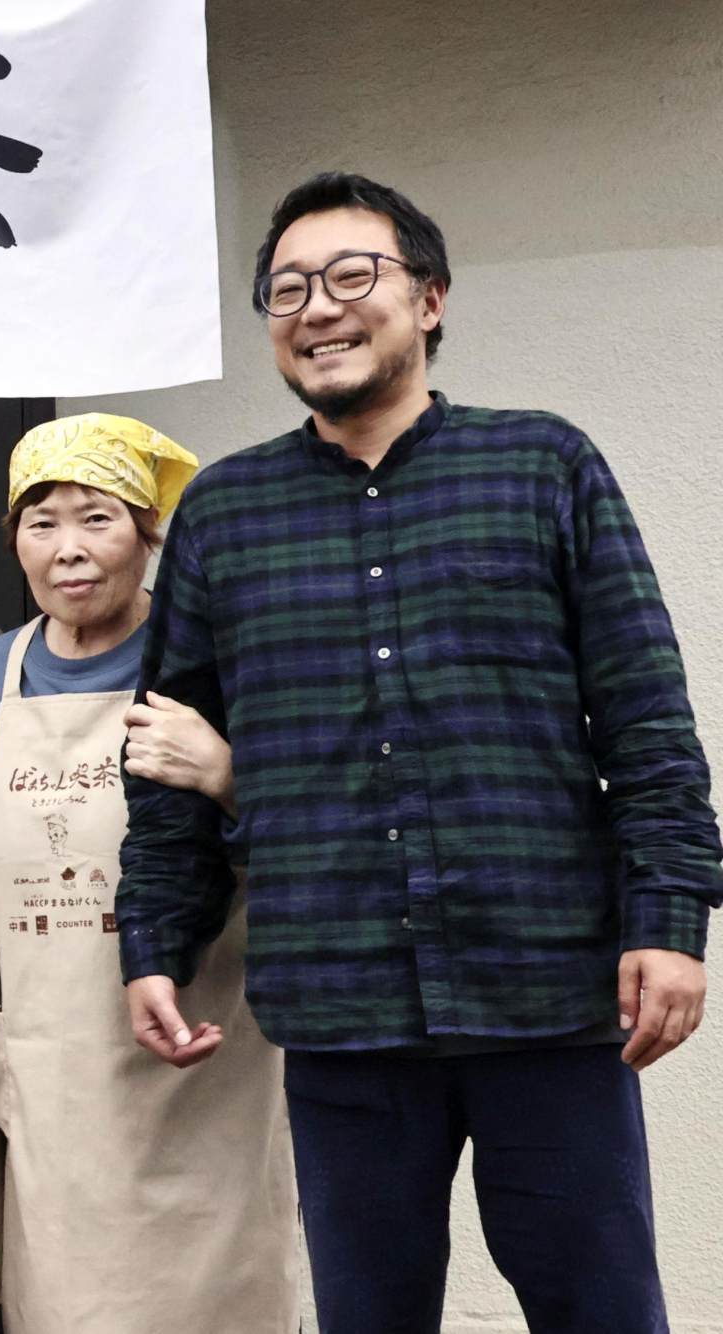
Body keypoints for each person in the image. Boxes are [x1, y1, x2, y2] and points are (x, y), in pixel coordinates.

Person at [119, 172, 723, 1333]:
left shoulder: (541, 467)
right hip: (337, 1003)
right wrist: (152, 938)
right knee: (366, 1314)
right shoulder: (223, 513)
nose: (317, 307)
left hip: (546, 986)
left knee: (598, 1307)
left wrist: (667, 918)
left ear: (429, 299)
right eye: (286, 287)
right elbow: (163, 759)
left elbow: (646, 718)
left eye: (354, 276)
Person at [0, 415, 298, 1332]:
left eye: (97, 519)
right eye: (41, 523)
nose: (68, 550)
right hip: (55, 1057)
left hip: (202, 1045)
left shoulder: (212, 658)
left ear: (150, 534)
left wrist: (226, 776)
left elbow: (310, 829)